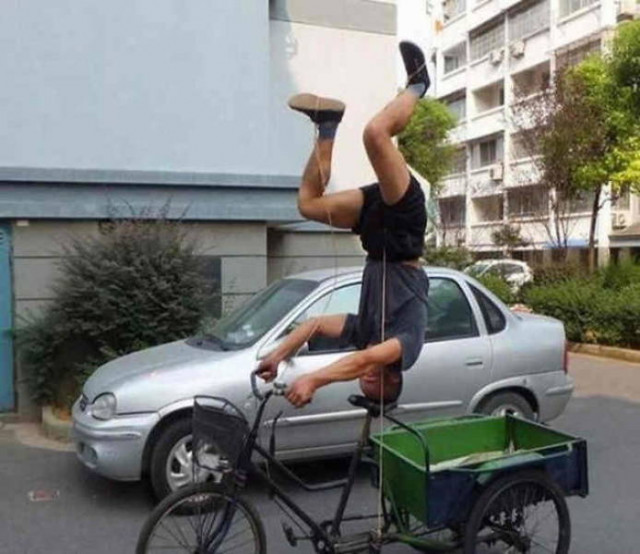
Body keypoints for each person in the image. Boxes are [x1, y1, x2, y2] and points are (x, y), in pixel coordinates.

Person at [258, 41, 430, 408]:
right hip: (404, 230)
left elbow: (315, 326)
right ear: (394, 376)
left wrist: (277, 355)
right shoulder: (407, 346)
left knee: (308, 204)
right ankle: (418, 85)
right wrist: (314, 380)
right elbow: (365, 360)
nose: (367, 379)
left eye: (365, 386)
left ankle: (327, 125)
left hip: (375, 232)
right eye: (376, 382)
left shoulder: (364, 333)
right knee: (375, 134)